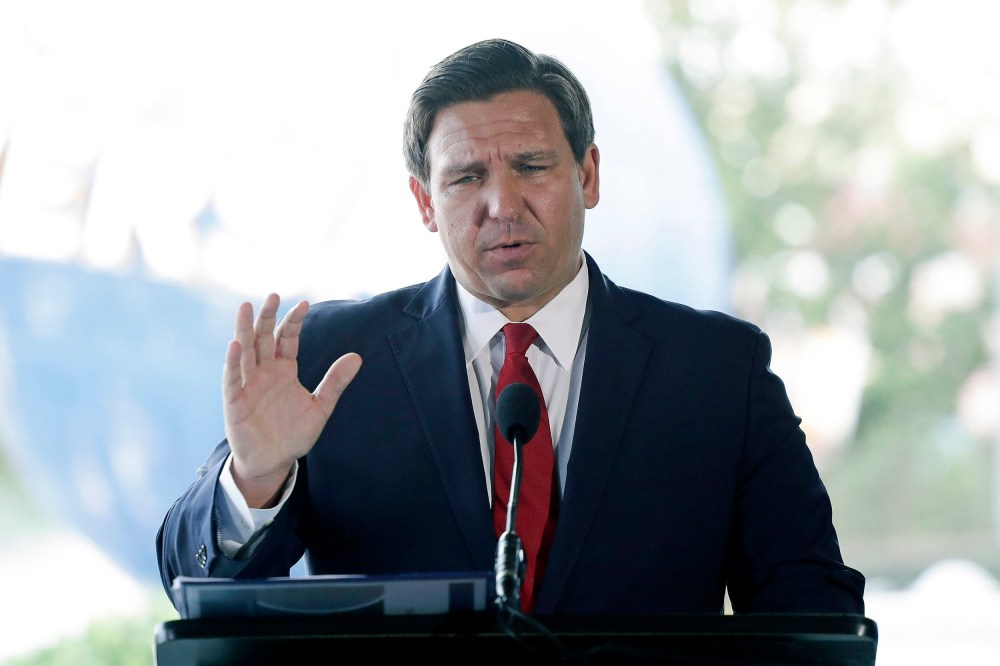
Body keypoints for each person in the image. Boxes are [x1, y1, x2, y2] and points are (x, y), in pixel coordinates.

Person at [156, 38, 865, 617]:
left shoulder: (718, 371)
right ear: (424, 202)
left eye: (532, 167)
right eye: (466, 177)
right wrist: (255, 479)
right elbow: (194, 583)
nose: (501, 204)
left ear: (588, 174)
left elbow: (813, 610)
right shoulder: (331, 362)